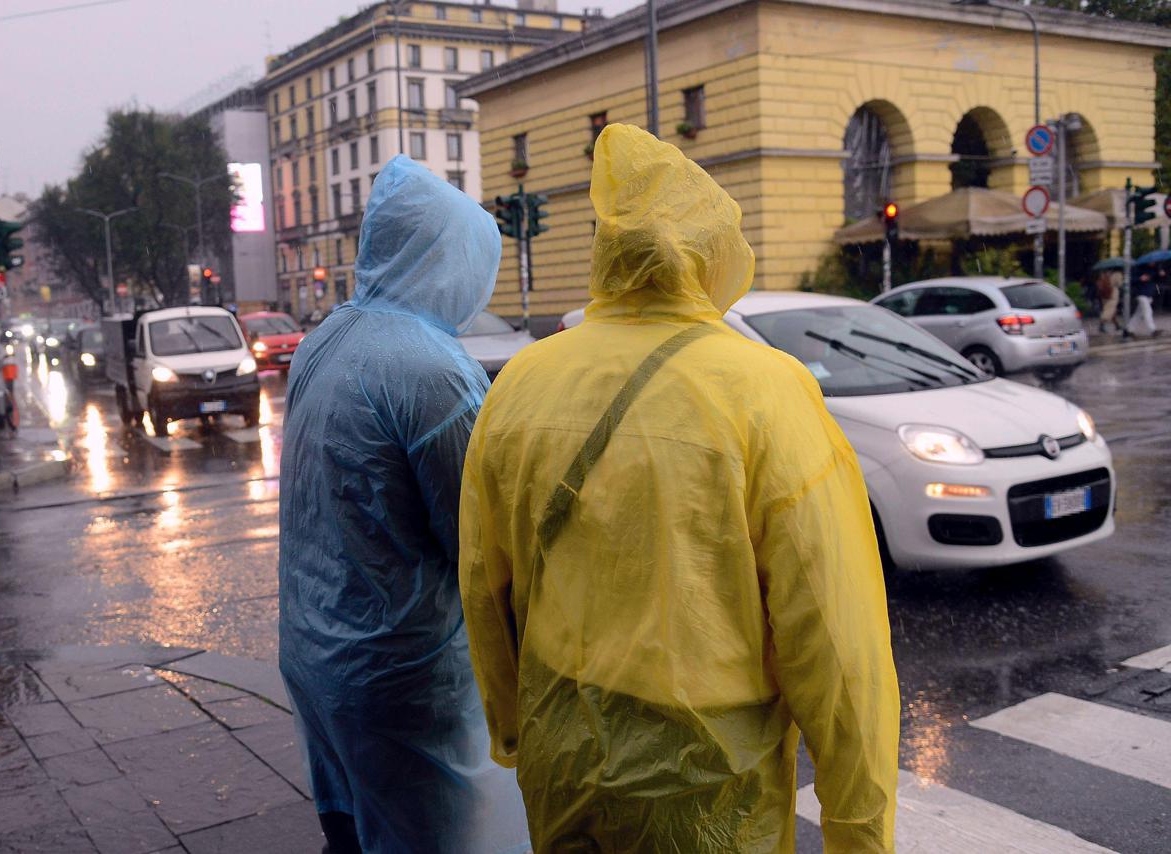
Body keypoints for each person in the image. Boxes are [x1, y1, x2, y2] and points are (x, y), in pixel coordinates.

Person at [460, 124, 899, 853]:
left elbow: (482, 582)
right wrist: (860, 828)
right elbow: (832, 630)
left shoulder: (520, 383)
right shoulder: (765, 389)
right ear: (711, 255)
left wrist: (514, 727)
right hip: (706, 781)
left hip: (560, 750)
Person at [278, 156, 529, 854]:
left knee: (352, 833)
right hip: (404, 679)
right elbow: (481, 546)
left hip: (316, 655)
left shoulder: (324, 339)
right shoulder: (432, 371)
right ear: (449, 261)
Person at [1124, 268, 1159, 338]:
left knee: (1138, 314)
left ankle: (1128, 330)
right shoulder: (1138, 270)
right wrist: (1140, 278)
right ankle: (1153, 330)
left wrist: (1161, 275)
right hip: (1141, 294)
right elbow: (1130, 280)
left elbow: (1158, 281)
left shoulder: (1154, 271)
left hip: (1149, 295)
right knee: (1148, 312)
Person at [1098, 268, 1121, 334]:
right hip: (1112, 296)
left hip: (1105, 296)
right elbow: (1119, 284)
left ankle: (1117, 325)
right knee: (1109, 311)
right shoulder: (1116, 274)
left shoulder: (1103, 275)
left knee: (1112, 311)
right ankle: (1101, 325)